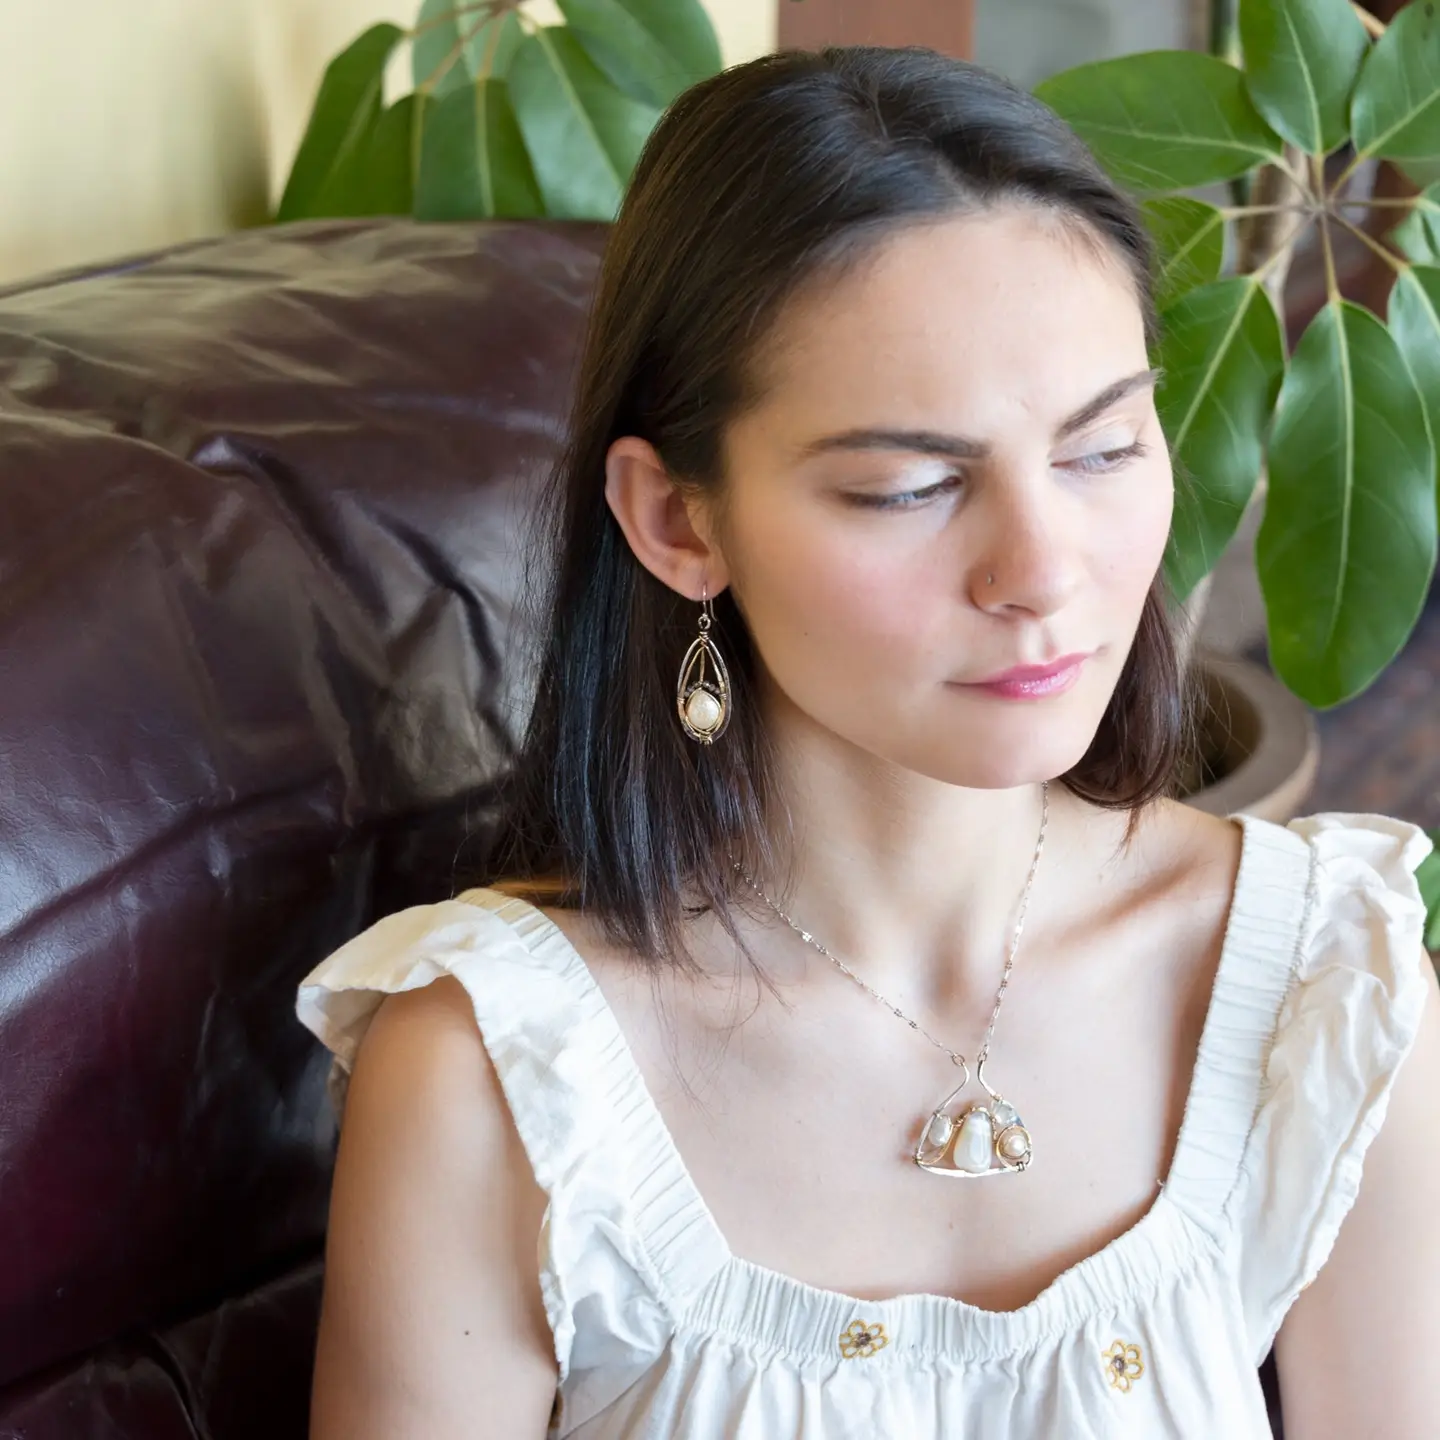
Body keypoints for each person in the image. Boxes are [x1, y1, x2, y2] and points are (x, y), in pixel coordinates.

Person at [293, 44, 1440, 1439]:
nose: (1043, 567)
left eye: (1100, 450)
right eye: (908, 487)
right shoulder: (502, 1076)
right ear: (677, 522)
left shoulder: (1321, 982)